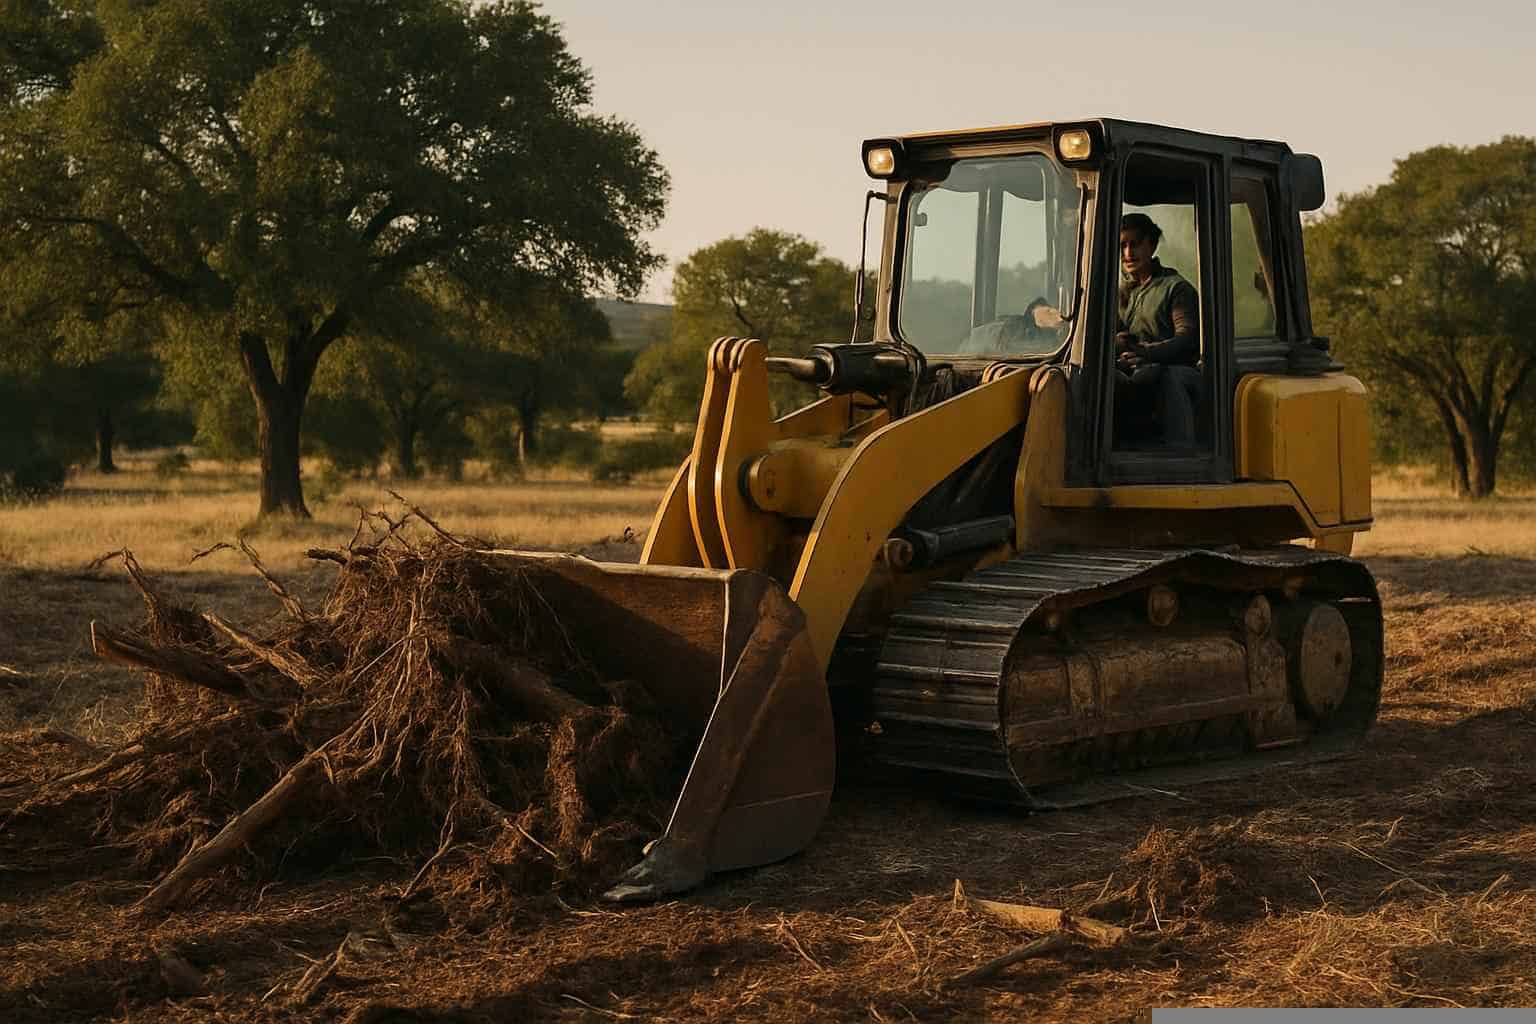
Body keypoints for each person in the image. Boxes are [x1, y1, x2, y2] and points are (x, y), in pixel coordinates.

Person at [1114, 213, 1201, 446]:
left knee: (1162, 378)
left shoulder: (1176, 289)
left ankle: (1178, 453)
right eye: (1122, 246)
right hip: (1134, 371)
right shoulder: (1122, 294)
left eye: (1135, 244)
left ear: (1151, 245)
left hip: (1171, 372)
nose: (1128, 253)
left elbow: (1187, 339)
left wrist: (1144, 352)